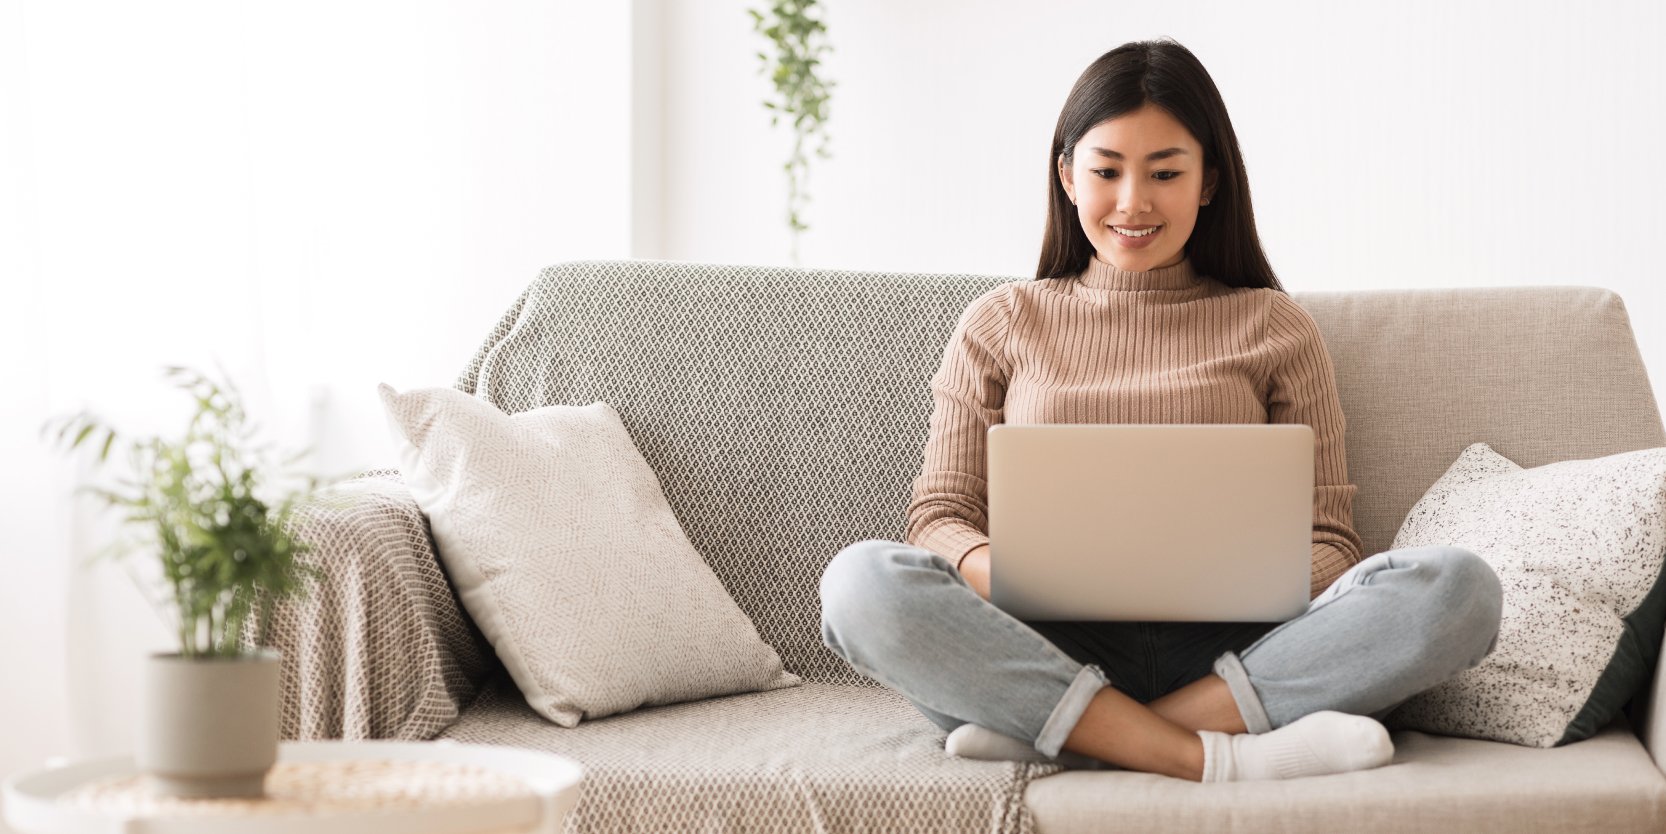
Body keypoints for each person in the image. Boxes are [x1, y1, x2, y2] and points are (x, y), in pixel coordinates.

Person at [817, 38, 1503, 783]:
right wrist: (1017, 573)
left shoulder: (1275, 326)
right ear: (1067, 178)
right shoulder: (1001, 321)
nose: (1133, 202)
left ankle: (1080, 738)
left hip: (1240, 653)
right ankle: (1215, 755)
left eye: (1166, 172)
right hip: (1042, 647)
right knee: (861, 584)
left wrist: (1241, 576)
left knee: (1459, 589)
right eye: (1106, 171)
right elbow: (940, 517)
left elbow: (1332, 543)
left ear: (1208, 181)